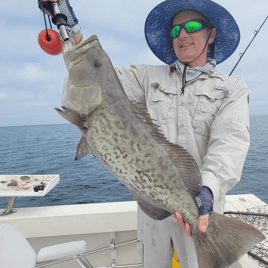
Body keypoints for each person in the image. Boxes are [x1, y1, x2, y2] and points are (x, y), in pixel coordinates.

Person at [39, 1, 250, 267]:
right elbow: (98, 77)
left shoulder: (232, 88)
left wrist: (207, 188)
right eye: (175, 31)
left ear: (212, 34)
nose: (182, 35)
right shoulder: (145, 76)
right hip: (152, 207)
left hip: (201, 210)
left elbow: (230, 143)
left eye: (193, 27)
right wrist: (71, 28)